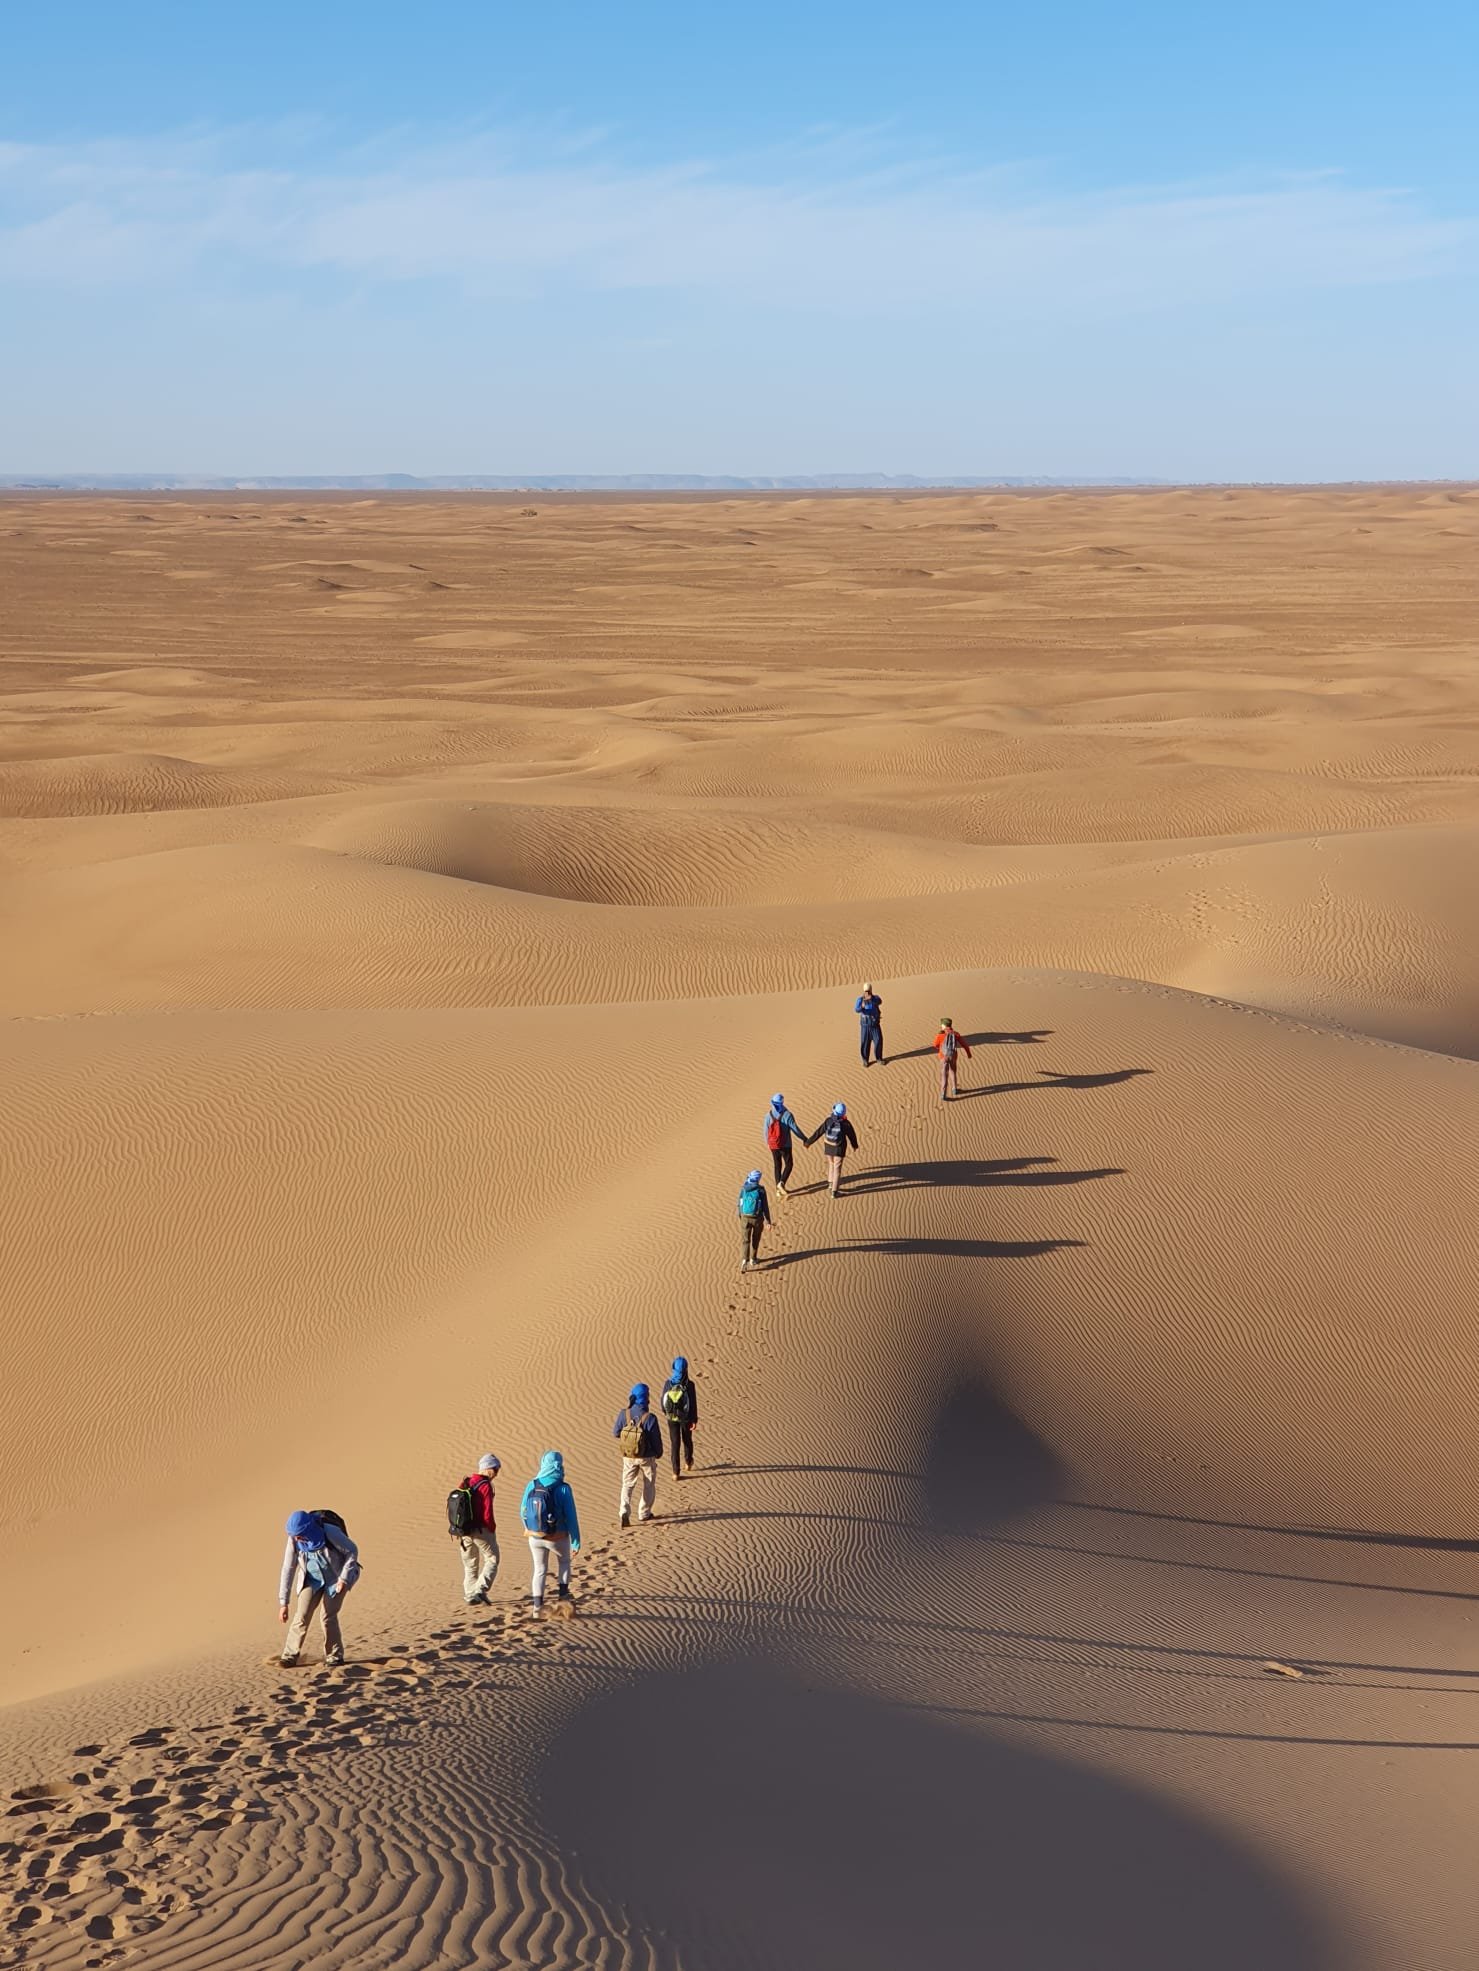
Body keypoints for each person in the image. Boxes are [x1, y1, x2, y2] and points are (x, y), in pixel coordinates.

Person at [278, 1509, 361, 1668]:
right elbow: (288, 1568)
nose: (296, 1538)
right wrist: (284, 1602)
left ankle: (335, 1656)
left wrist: (344, 1578)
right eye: (294, 1535)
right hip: (312, 1580)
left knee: (327, 1616)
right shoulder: (294, 1540)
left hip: (336, 1579)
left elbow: (352, 1551)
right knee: (302, 1615)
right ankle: (289, 1656)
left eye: (299, 1535)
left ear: (308, 1529)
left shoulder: (329, 1531)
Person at [520, 1450, 581, 1613]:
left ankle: (537, 1607)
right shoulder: (563, 1488)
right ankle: (562, 1596)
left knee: (539, 1569)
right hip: (558, 1537)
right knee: (564, 1563)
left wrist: (529, 1528)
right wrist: (576, 1541)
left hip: (535, 1536)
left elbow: (522, 1511)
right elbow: (571, 1517)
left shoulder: (532, 1484)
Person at [452, 1453, 501, 1605]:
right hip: (481, 1530)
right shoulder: (485, 1485)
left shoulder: (466, 1482)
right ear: (488, 1469)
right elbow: (487, 1512)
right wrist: (491, 1528)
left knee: (470, 1564)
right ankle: (480, 1590)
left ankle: (469, 1595)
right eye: (495, 1469)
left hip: (464, 1531)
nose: (496, 1474)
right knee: (492, 1559)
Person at [613, 1382, 665, 1527]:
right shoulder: (650, 1418)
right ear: (646, 1397)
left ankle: (624, 1511)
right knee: (648, 1484)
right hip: (646, 1457)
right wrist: (658, 1453)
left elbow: (615, 1433)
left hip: (628, 1456)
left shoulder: (624, 1413)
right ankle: (644, 1513)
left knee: (627, 1484)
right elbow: (656, 1440)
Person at [764, 1092, 809, 1196]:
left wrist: (768, 1143)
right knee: (789, 1164)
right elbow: (795, 1129)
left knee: (777, 1165)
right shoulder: (788, 1115)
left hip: (773, 1145)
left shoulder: (768, 1115)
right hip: (786, 1145)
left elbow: (765, 1132)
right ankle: (782, 1183)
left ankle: (777, 1190)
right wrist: (804, 1138)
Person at [661, 1356, 699, 1478]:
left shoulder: (668, 1384)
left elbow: (663, 1401)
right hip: (686, 1418)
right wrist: (694, 1420)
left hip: (671, 1418)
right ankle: (688, 1462)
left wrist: (667, 1414)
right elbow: (693, 1404)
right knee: (687, 1440)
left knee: (675, 1443)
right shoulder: (690, 1385)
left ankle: (675, 1472)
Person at [814, 1101, 860, 1198]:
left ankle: (830, 1184)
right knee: (837, 1169)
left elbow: (819, 1132)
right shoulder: (846, 1123)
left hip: (828, 1147)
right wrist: (854, 1145)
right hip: (839, 1149)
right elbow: (852, 1135)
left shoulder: (828, 1120)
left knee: (831, 1164)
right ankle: (834, 1192)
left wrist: (808, 1142)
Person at [738, 1167, 771, 1272]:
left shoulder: (743, 1188)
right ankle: (753, 1259)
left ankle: (744, 1261)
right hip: (757, 1218)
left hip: (745, 1218)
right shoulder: (761, 1190)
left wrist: (741, 1216)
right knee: (755, 1239)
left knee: (745, 1240)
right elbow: (765, 1206)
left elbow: (740, 1204)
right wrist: (768, 1221)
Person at [934, 1017, 973, 1101]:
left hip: (943, 1057)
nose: (941, 1026)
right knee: (953, 1071)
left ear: (944, 1025)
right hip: (953, 1056)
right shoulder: (956, 1034)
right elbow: (964, 1045)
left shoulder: (940, 1034)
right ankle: (955, 1089)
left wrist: (940, 1048)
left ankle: (943, 1094)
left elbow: (935, 1045)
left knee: (944, 1074)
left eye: (942, 1024)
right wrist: (969, 1054)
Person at [855, 984, 884, 1066]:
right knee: (865, 1043)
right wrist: (862, 1006)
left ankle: (879, 1058)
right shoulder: (860, 1000)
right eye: (866, 991)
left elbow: (880, 1001)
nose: (867, 993)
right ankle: (865, 1060)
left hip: (875, 1025)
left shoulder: (875, 998)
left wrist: (873, 999)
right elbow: (856, 1009)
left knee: (878, 1041)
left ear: (871, 990)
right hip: (865, 1026)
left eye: (869, 991)